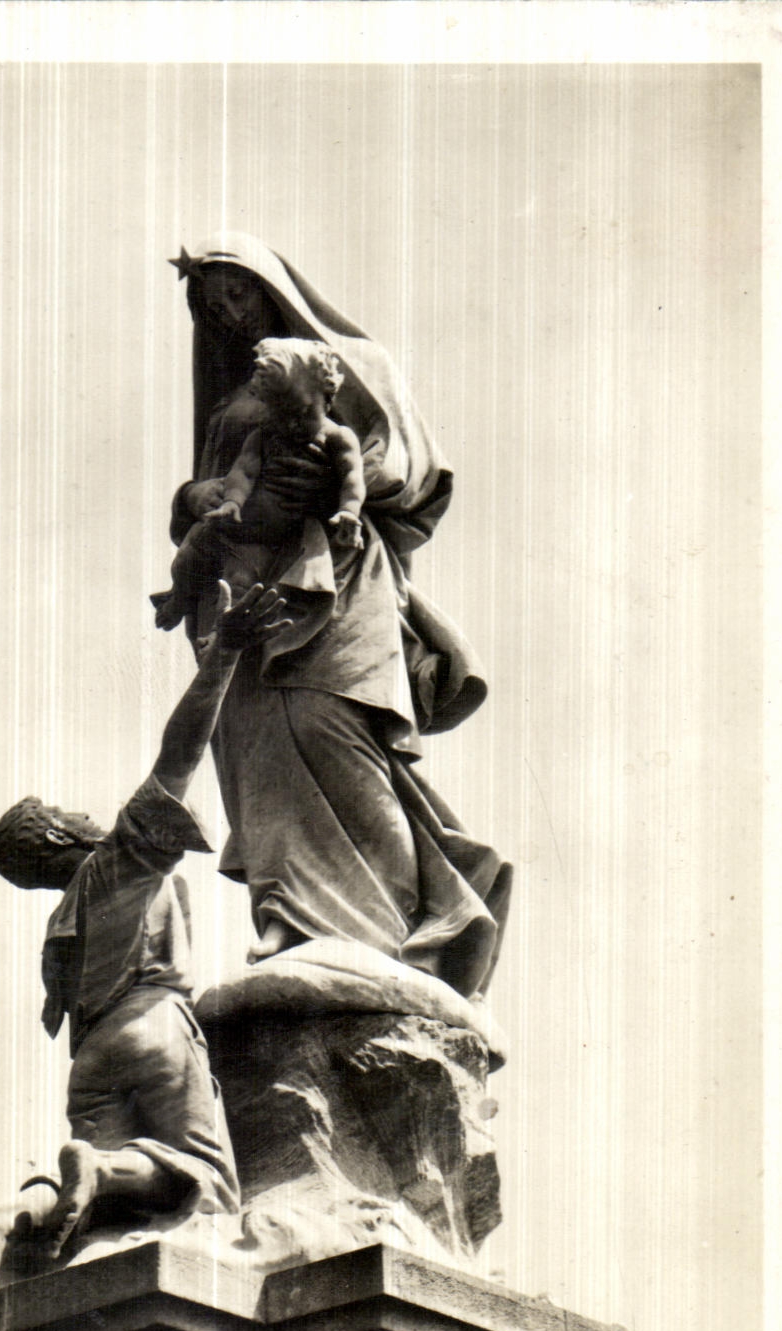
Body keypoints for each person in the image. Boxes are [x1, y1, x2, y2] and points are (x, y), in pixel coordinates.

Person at [166, 233, 512, 991]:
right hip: (247, 592)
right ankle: (289, 928)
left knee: (337, 732)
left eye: (238, 293)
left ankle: (395, 933)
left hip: (341, 578)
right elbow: (202, 493)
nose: (229, 314)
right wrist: (200, 501)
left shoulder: (359, 366)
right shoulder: (232, 402)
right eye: (212, 305)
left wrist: (331, 479)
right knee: (265, 755)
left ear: (271, 287)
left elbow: (412, 472)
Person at [0, 584, 290, 1300]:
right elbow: (179, 753)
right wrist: (223, 653)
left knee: (107, 1209)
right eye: (69, 813)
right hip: (153, 1027)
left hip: (91, 1058)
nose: (84, 812)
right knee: (208, 1181)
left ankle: (14, 1215)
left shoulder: (59, 928)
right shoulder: (116, 864)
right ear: (63, 837)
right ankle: (91, 1170)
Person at [151, 337, 365, 634]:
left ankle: (216, 640)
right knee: (189, 553)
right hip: (233, 523)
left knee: (238, 585)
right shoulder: (264, 436)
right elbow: (244, 472)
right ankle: (180, 594)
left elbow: (352, 479)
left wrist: (349, 512)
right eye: (281, 414)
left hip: (264, 541)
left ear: (328, 394)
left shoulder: (337, 438)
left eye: (303, 413)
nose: (292, 425)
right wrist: (232, 503)